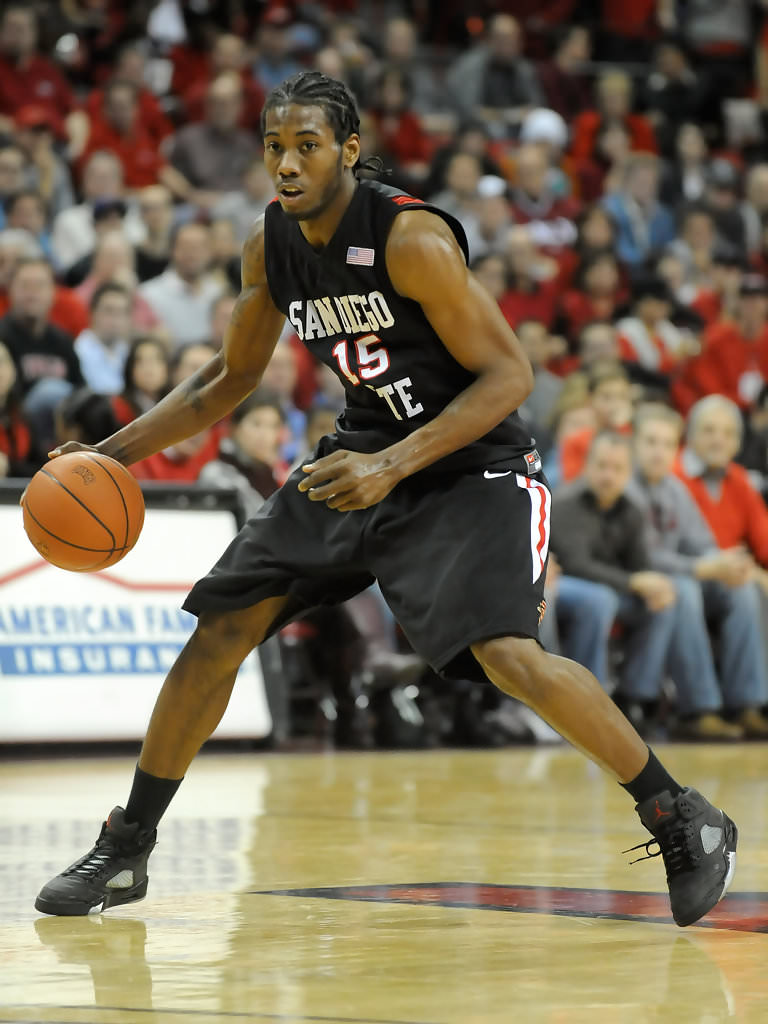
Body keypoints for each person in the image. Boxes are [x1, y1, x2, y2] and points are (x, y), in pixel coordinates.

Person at [35, 71, 736, 929]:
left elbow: (509, 375)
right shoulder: (270, 244)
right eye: (274, 147)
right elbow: (230, 376)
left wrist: (396, 464)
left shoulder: (410, 239)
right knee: (222, 627)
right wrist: (106, 455)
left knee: (510, 656)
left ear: (350, 151)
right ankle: (128, 846)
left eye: (307, 146)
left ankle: (680, 817)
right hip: (363, 455)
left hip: (470, 465)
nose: (286, 164)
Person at [627, 404, 767, 738]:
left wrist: (725, 565)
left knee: (742, 588)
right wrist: (704, 566)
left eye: (666, 444)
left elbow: (701, 541)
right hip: (644, 581)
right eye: (651, 442)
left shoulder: (674, 487)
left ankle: (747, 703)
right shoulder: (628, 485)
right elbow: (645, 557)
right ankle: (698, 708)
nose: (660, 451)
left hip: (686, 574)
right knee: (685, 589)